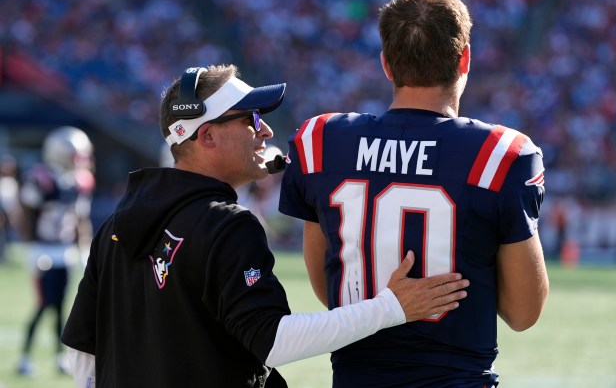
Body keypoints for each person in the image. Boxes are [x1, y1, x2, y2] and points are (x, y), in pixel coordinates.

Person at [60, 65, 470, 388]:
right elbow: (273, 341)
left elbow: (83, 351)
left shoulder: (117, 222)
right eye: (251, 119)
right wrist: (390, 307)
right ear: (206, 137)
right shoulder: (225, 224)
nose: (266, 130)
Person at [278, 0, 549, 388]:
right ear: (465, 59)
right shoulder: (500, 155)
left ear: (387, 64)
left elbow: (327, 285)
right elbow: (523, 313)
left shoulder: (320, 140)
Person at [17, 126, 95, 376]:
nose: (80, 160)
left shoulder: (79, 180)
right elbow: (25, 215)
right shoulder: (42, 178)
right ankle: (25, 357)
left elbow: (80, 219)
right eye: (76, 154)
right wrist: (30, 246)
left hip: (64, 250)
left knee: (62, 307)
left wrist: (83, 247)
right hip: (43, 249)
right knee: (43, 305)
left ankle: (59, 357)